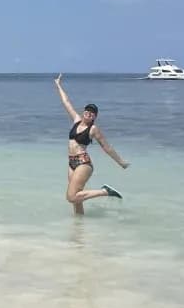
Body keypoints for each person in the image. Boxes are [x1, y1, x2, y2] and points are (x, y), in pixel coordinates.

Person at [54, 73, 129, 216]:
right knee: (77, 200)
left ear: (95, 117)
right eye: (87, 110)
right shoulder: (76, 120)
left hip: (83, 163)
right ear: (84, 112)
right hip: (71, 163)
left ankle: (105, 191)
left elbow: (106, 147)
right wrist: (58, 85)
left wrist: (121, 162)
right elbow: (66, 102)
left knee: (71, 197)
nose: (89, 113)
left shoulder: (93, 129)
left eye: (93, 113)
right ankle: (79, 229)